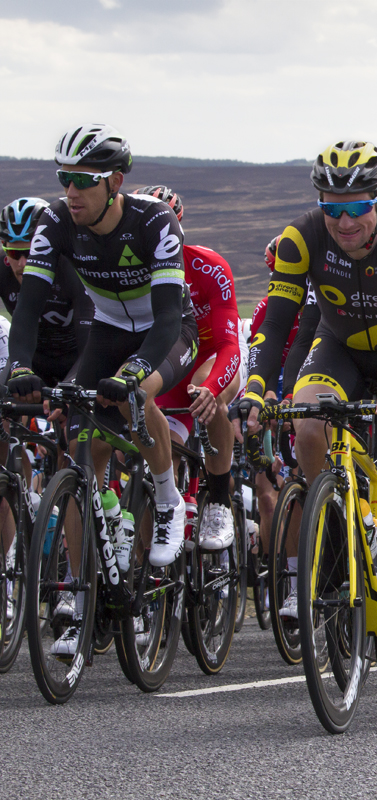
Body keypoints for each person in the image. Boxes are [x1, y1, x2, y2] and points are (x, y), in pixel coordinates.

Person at [239, 140, 377, 674]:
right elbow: (277, 324)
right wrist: (257, 388)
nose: (344, 221)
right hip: (342, 347)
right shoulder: (301, 237)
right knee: (307, 423)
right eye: (332, 208)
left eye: (356, 208)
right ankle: (332, 536)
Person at [6, 124, 198, 657]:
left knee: (139, 396)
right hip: (109, 330)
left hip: (168, 331)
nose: (70, 191)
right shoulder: (54, 223)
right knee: (75, 442)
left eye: (82, 181)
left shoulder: (153, 221)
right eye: (63, 178)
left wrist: (136, 371)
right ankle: (81, 574)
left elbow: (164, 321)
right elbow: (25, 310)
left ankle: (165, 499)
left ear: (115, 181)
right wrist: (20, 367)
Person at [135, 185, 243, 553]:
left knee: (204, 391)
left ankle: (218, 502)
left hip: (211, 359)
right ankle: (152, 579)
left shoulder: (208, 267)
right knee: (162, 457)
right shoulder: (131, 273)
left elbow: (230, 346)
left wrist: (214, 387)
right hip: (169, 364)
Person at [0, 197, 92, 386]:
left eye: (31, 252)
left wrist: (70, 389)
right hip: (32, 359)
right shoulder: (2, 267)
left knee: (78, 409)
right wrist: (20, 371)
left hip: (78, 359)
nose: (22, 264)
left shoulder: (71, 267)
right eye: (14, 254)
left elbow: (90, 346)